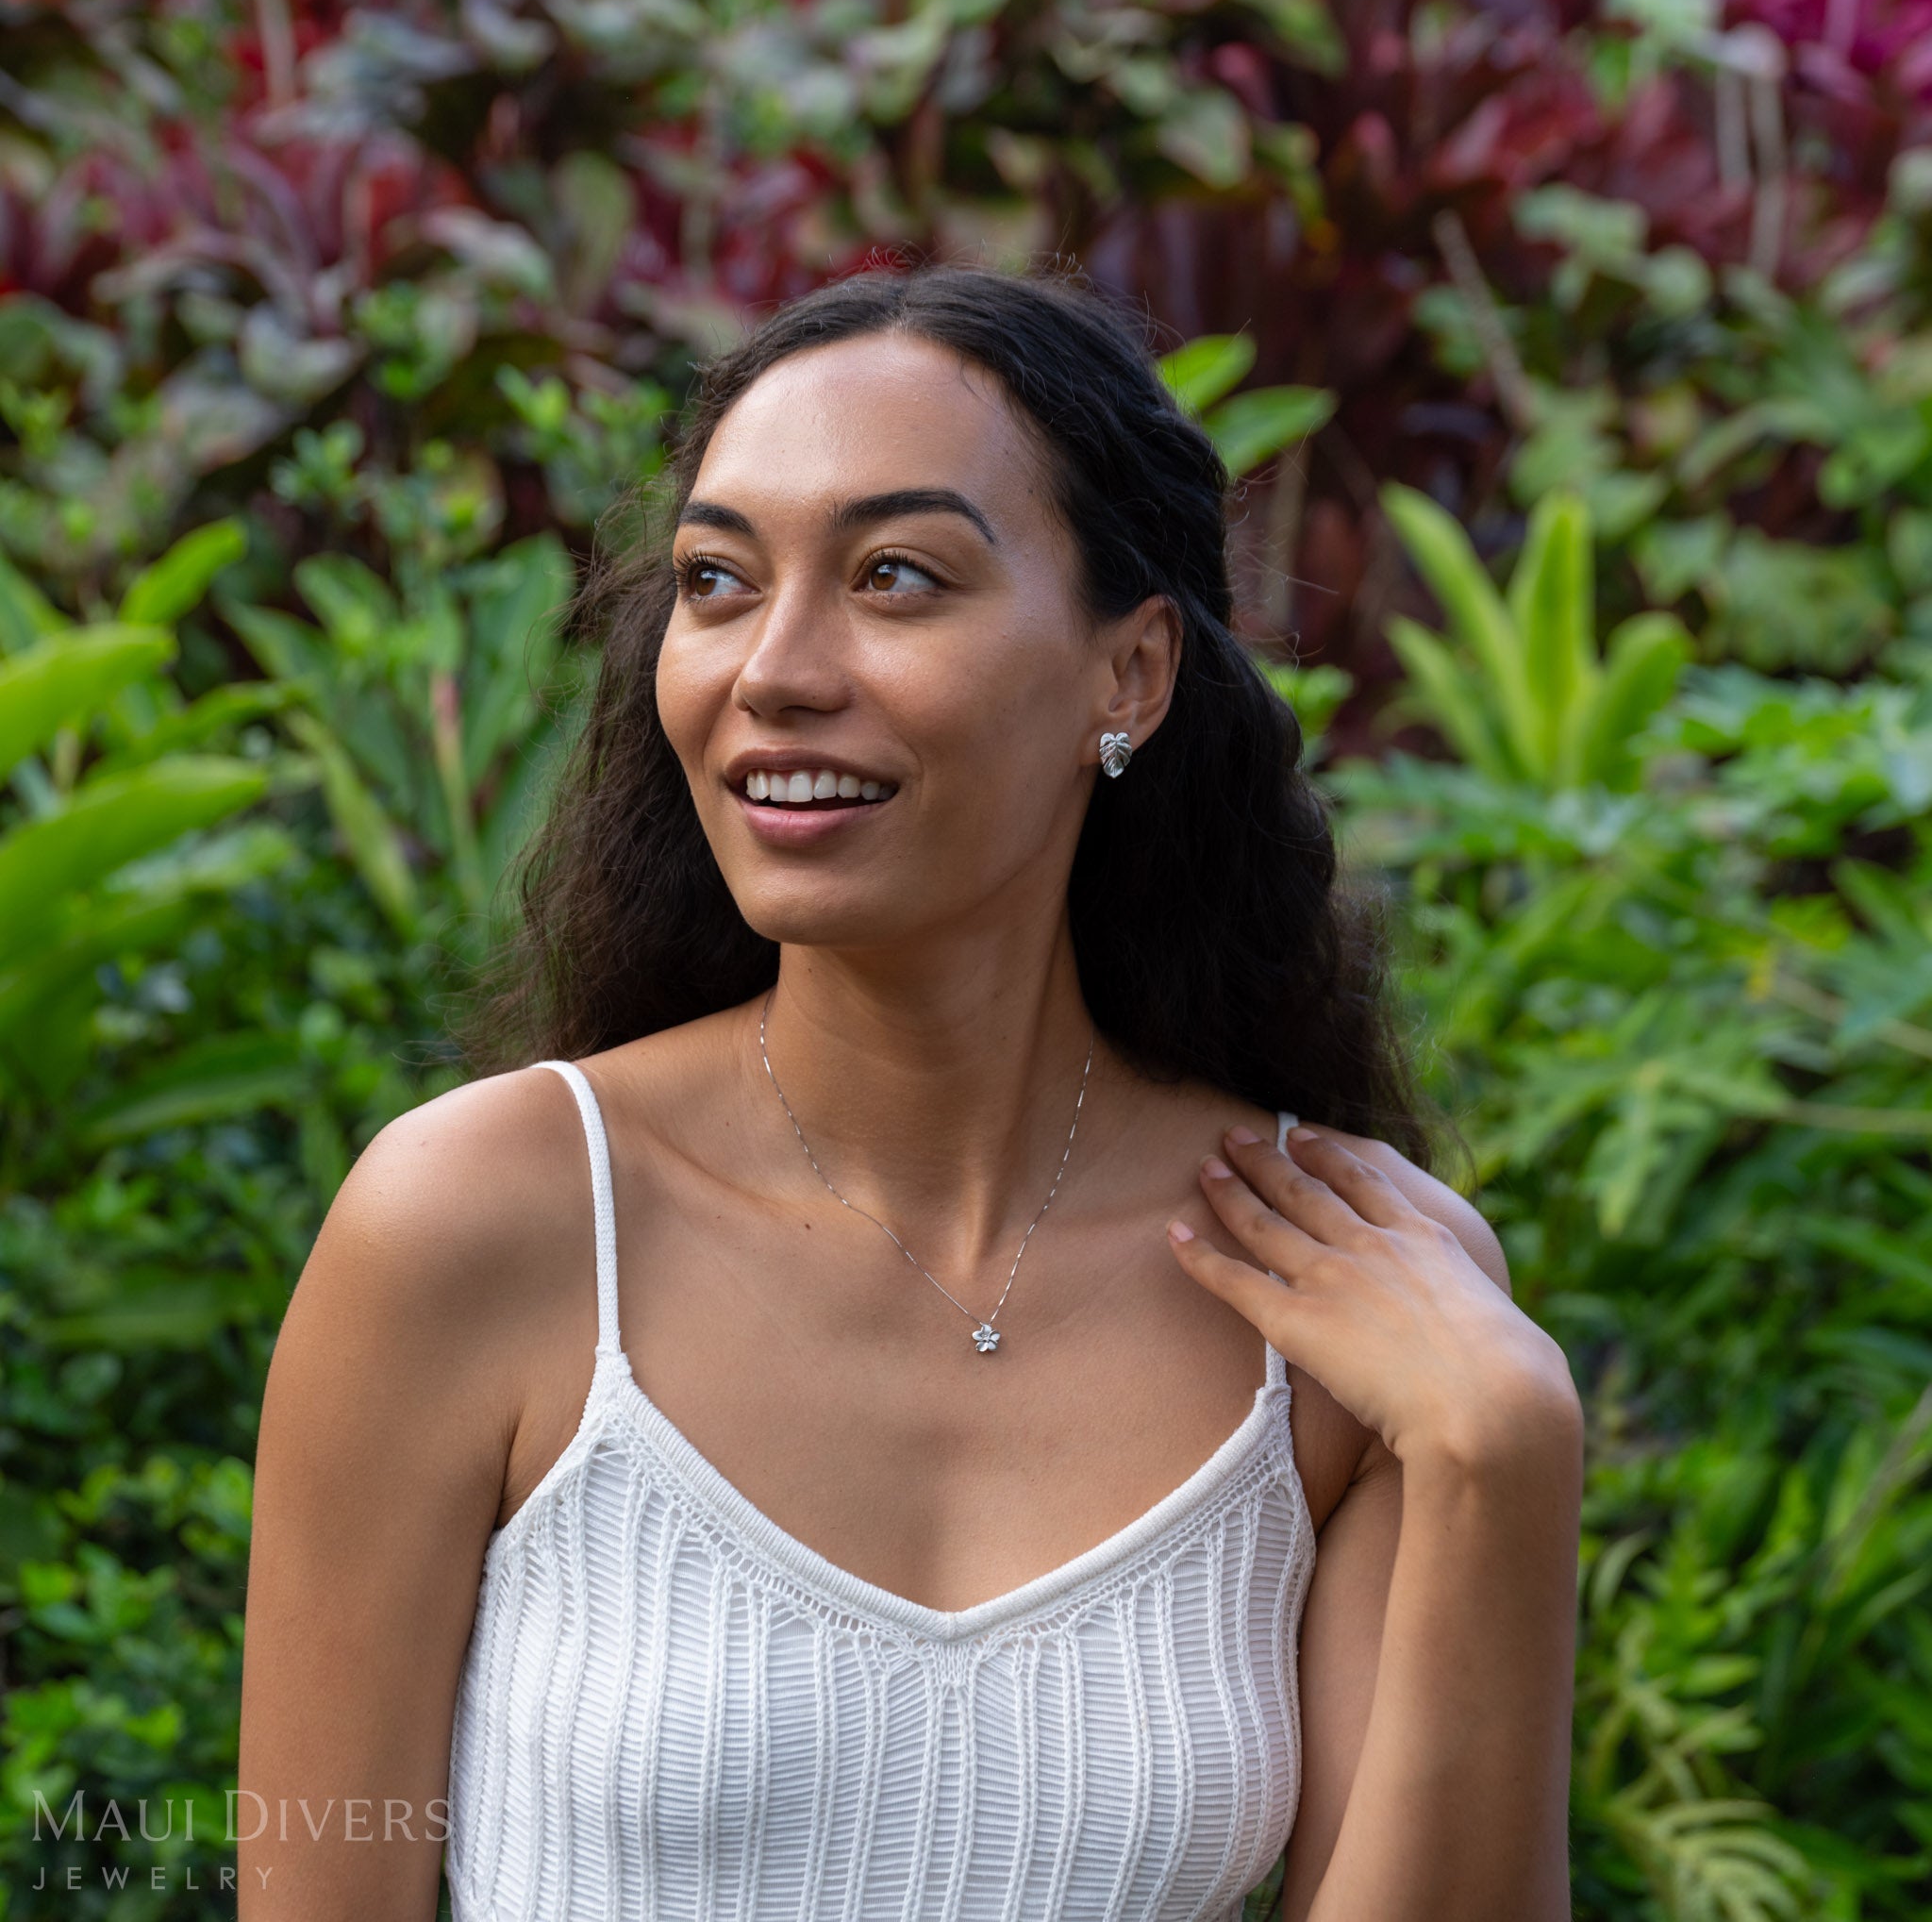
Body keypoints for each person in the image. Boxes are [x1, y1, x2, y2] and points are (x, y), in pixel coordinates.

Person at [237, 262, 1583, 1921]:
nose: (772, 669)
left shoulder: (1353, 1291)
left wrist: (1500, 1456)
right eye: (719, 581)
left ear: (1131, 676)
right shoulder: (484, 1226)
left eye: (894, 576)